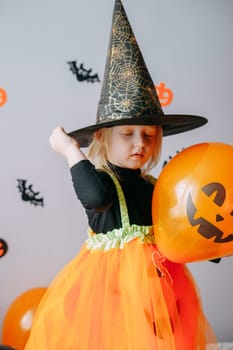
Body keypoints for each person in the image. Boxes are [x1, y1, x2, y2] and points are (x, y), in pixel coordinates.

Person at [25, 0, 219, 349]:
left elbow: (179, 226)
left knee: (163, 338)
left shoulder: (154, 186)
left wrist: (211, 239)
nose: (139, 143)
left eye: (148, 135)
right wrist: (71, 151)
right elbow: (95, 199)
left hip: (159, 287)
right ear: (102, 137)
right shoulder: (102, 181)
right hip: (109, 287)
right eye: (127, 134)